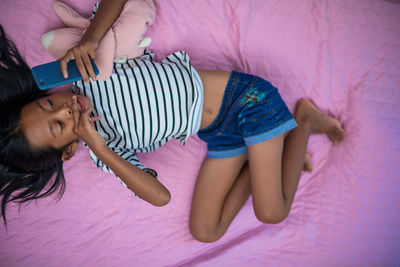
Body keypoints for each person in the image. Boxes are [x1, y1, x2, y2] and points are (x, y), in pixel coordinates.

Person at [0, 0, 345, 243]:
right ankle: (272, 153)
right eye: (59, 126)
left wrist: (91, 37)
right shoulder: (106, 151)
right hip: (221, 134)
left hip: (247, 102)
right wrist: (101, 148)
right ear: (68, 151)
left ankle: (303, 121)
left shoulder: (91, 71)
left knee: (271, 213)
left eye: (49, 104)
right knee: (206, 232)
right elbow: (160, 196)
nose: (65, 110)